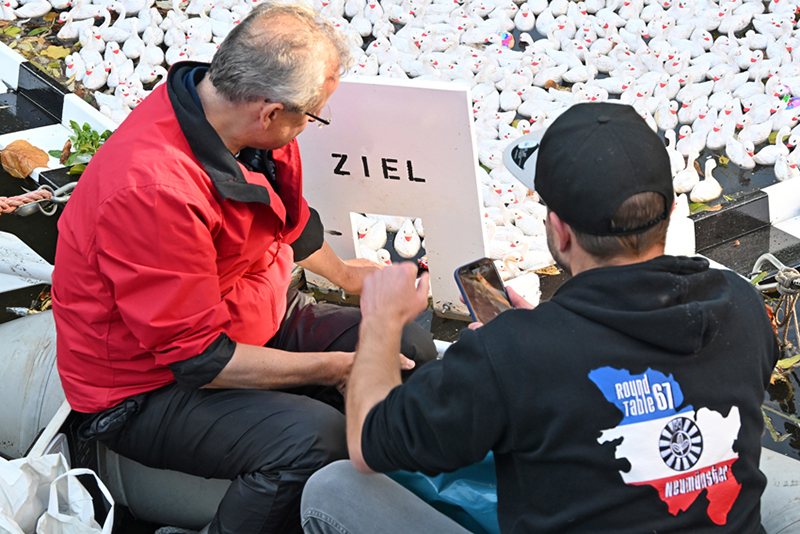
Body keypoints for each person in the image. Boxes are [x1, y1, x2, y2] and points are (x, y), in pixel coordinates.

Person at [300, 102, 780, 534]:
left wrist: (380, 322)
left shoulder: (514, 354)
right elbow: (624, 359)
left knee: (332, 489)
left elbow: (368, 442)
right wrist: (550, 329)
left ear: (560, 232)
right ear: (671, 211)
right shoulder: (741, 304)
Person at [51, 4, 436, 534]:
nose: (311, 125)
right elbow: (197, 359)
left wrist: (349, 276)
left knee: (408, 347)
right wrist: (334, 367)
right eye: (314, 115)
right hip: (149, 385)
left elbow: (287, 219)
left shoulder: (239, 125)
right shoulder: (154, 192)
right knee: (316, 443)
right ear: (270, 112)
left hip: (251, 311)